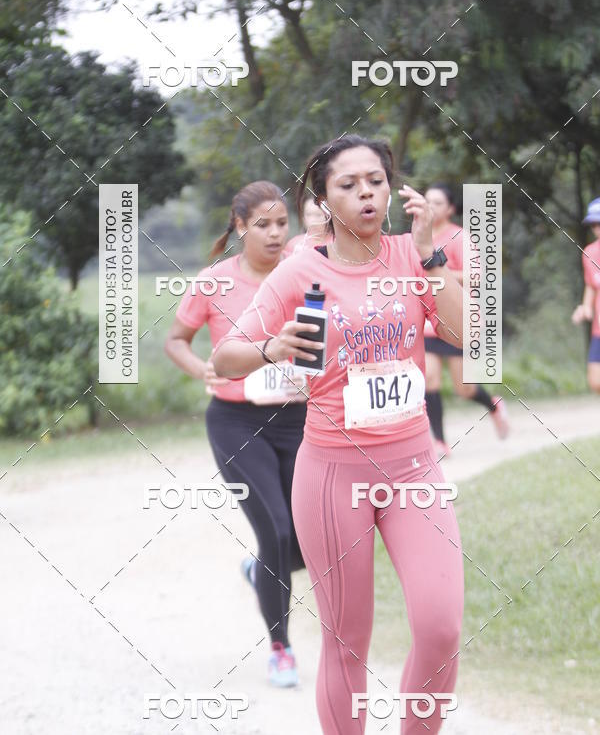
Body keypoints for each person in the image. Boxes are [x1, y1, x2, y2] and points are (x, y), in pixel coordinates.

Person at [213, 135, 464, 734]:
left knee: (441, 627)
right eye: (348, 185)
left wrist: (431, 255)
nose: (365, 193)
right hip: (331, 474)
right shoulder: (301, 270)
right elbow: (225, 357)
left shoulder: (410, 256)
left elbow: (464, 336)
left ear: (390, 186)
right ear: (323, 200)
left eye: (375, 180)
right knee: (347, 641)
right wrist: (271, 347)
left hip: (413, 469)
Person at [164, 181, 307, 687]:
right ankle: (281, 648)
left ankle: (259, 570)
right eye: (262, 224)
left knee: (307, 540)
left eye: (281, 223)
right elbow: (176, 340)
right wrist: (201, 367)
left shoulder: (305, 264)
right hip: (237, 421)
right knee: (275, 529)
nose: (274, 233)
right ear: (241, 226)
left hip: (300, 417)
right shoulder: (215, 281)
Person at [424, 183, 509, 455]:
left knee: (465, 388)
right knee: (430, 380)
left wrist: (438, 269)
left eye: (437, 202)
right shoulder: (416, 237)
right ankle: (439, 442)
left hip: (459, 318)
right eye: (427, 201)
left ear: (450, 209)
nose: (430, 207)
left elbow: (476, 276)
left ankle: (493, 404)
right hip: (428, 320)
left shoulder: (459, 237)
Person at [571, 196, 600, 394]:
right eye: (593, 223)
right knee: (595, 381)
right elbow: (591, 285)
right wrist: (586, 308)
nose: (597, 227)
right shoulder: (589, 252)